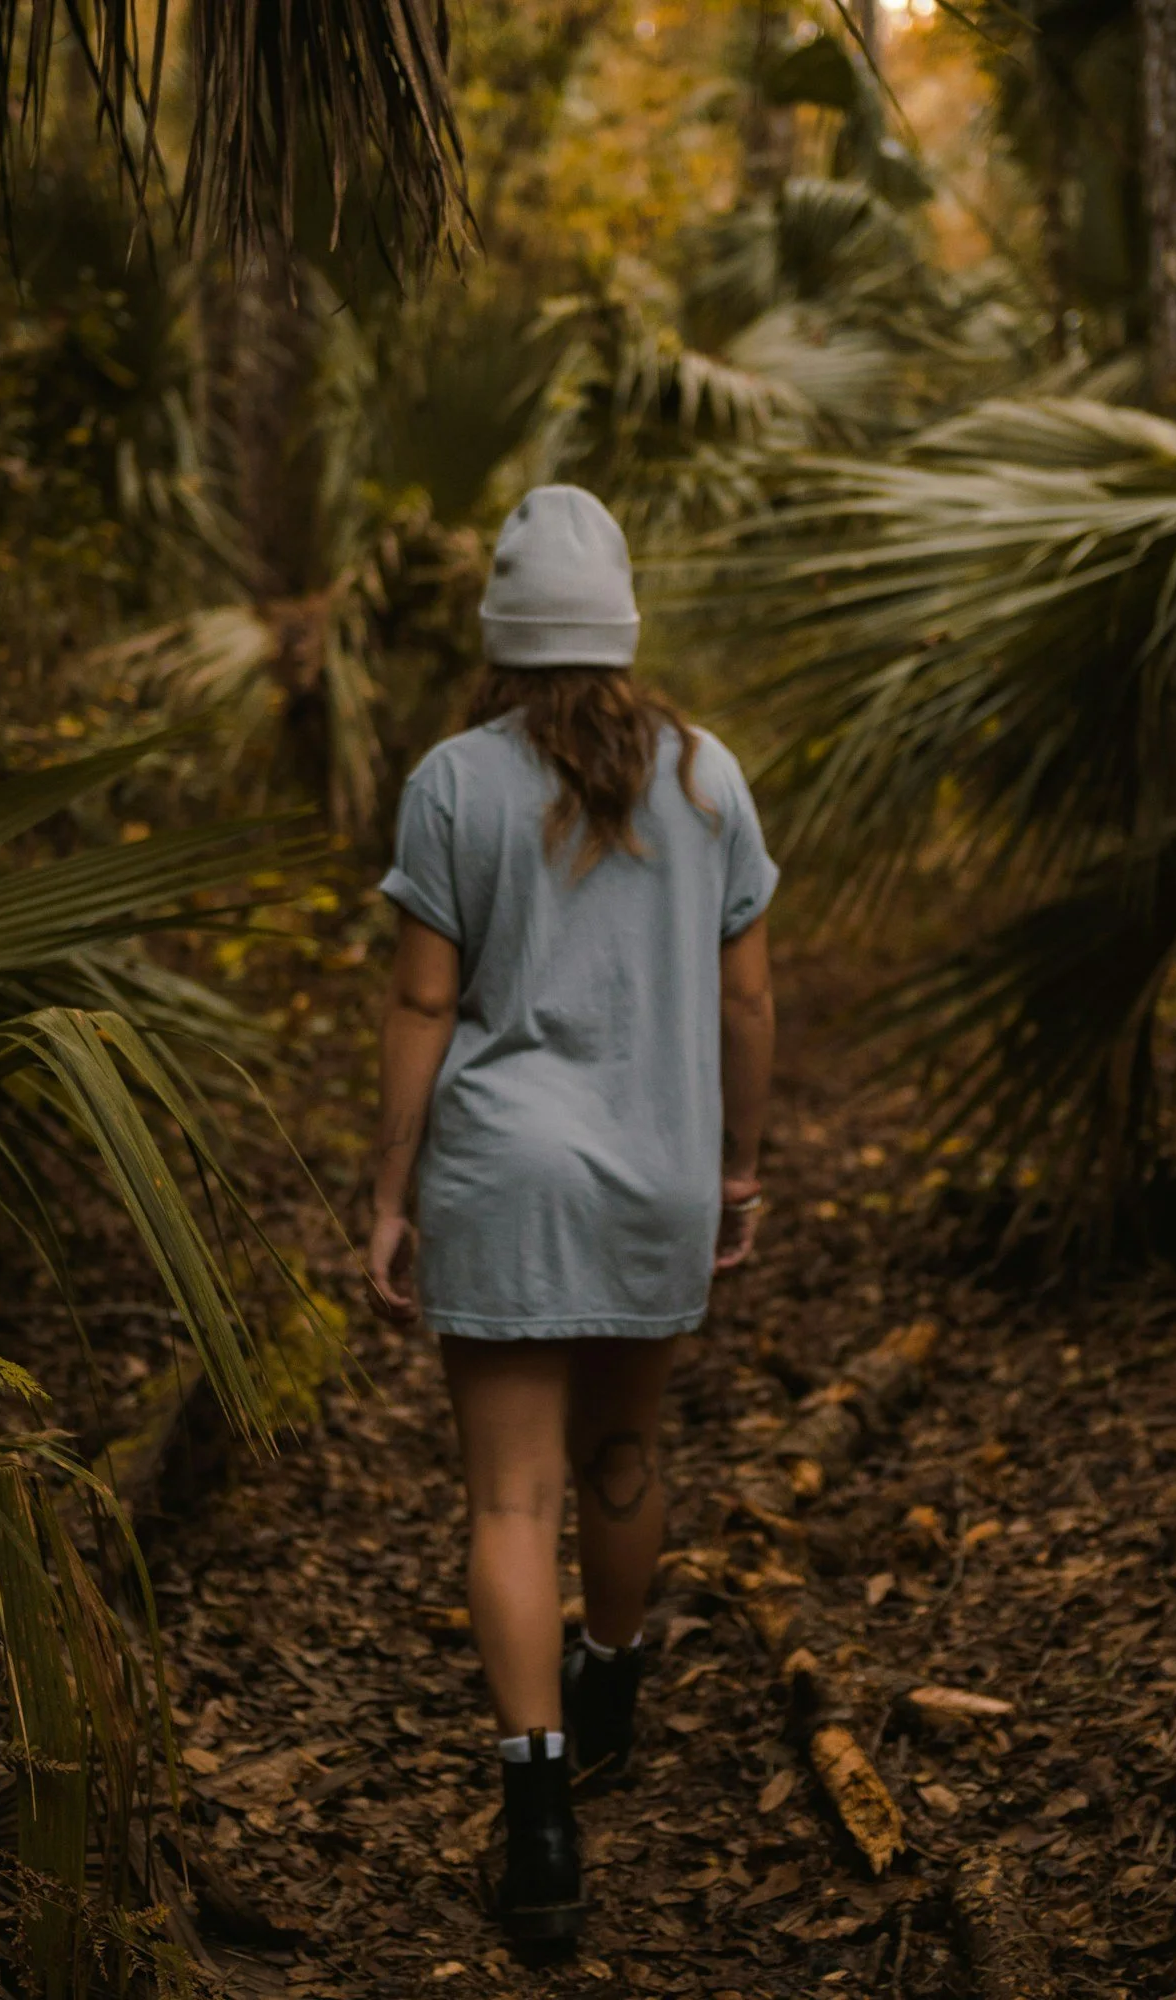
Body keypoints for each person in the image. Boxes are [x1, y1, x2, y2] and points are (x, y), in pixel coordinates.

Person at [365, 485, 778, 1946]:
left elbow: (424, 997)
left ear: (502, 635)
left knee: (507, 1500)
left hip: (503, 1174)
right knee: (623, 1449)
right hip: (657, 1166)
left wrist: (388, 1191)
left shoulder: (453, 782)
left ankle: (538, 1826)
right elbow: (744, 996)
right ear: (621, 628)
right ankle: (610, 1676)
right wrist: (735, 1171)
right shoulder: (708, 775)